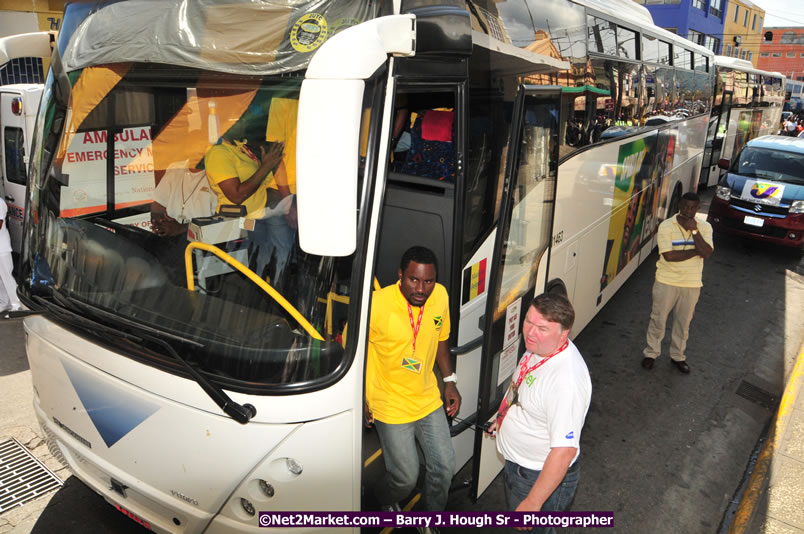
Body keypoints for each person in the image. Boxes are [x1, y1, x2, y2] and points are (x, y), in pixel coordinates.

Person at [365, 246, 460, 514]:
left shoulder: (439, 295)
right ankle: (381, 498)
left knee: (444, 468)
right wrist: (361, 397)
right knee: (405, 478)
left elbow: (441, 338)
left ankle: (430, 516)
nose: (421, 289)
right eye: (414, 280)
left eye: (428, 281)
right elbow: (355, 353)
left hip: (426, 395)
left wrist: (449, 380)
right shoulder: (377, 305)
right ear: (400, 275)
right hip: (390, 402)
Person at [486, 293, 591, 534]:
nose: (530, 332)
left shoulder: (565, 382)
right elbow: (522, 385)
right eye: (528, 322)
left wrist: (533, 503)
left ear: (563, 333)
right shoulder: (543, 348)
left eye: (542, 328)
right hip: (521, 468)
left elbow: (564, 452)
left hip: (536, 478)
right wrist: (503, 417)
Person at [641, 192, 713, 374]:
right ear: (679, 205)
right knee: (658, 320)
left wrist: (694, 231)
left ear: (698, 209)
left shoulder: (704, 227)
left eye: (693, 208)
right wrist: (696, 251)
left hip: (692, 284)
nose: (688, 211)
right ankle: (651, 353)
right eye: (685, 207)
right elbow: (669, 255)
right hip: (666, 281)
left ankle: (678, 356)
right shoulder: (666, 226)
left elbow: (707, 252)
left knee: (683, 324)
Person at [0, 199, 22, 314]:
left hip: (2, 248)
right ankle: (4, 303)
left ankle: (17, 303)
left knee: (7, 277)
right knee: (0, 279)